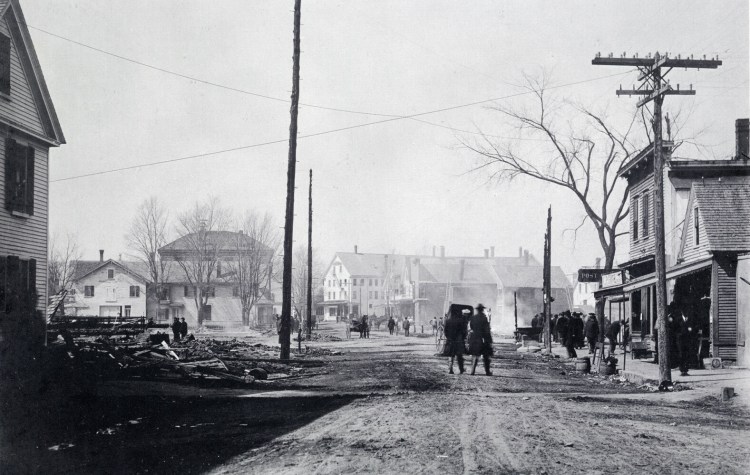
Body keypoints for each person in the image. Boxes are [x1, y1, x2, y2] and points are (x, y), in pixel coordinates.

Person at [468, 303, 493, 375]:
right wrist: (489, 340)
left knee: (474, 355)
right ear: (482, 310)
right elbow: (487, 330)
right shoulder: (484, 318)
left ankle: (472, 371)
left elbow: (471, 327)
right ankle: (487, 372)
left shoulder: (473, 318)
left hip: (474, 338)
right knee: (485, 356)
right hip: (482, 339)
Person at [444, 309, 467, 374]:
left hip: (450, 340)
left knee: (451, 355)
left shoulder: (448, 321)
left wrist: (448, 337)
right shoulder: (461, 321)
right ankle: (461, 369)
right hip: (458, 341)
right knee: (459, 356)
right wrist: (463, 338)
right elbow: (464, 332)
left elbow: (445, 331)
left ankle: (450, 369)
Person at [675, 311, 695, 376]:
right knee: (681, 354)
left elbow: (693, 327)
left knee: (687, 354)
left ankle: (686, 370)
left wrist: (691, 329)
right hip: (680, 340)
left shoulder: (689, 320)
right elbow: (676, 329)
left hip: (687, 340)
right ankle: (682, 370)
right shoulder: (678, 319)